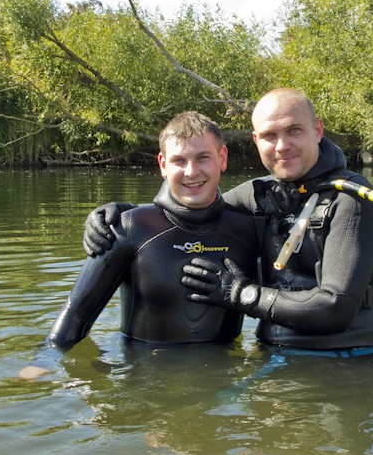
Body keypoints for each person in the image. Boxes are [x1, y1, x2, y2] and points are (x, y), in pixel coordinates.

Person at [85, 89, 373, 355]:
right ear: (256, 140)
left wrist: (240, 293)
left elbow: (335, 308)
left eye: (293, 130)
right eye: (270, 135)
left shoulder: (354, 202)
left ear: (318, 131)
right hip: (271, 355)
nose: (282, 145)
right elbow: (192, 208)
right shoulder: (261, 193)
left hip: (345, 362)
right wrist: (121, 214)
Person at [25, 112, 259, 367]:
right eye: (179, 160)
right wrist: (40, 366)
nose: (191, 172)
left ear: (222, 158)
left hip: (225, 393)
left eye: (203, 157)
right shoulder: (128, 227)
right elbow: (73, 320)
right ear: (162, 164)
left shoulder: (248, 229)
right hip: (144, 385)